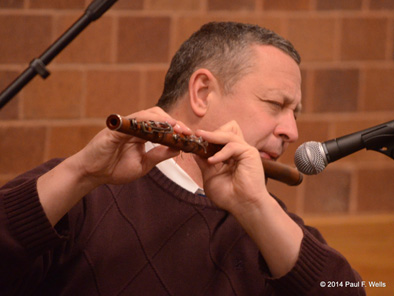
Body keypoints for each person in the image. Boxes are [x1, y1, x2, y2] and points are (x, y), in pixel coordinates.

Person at [0, 22, 365, 295]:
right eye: (275, 104)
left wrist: (257, 208)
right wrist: (80, 174)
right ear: (202, 92)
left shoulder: (275, 227)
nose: (292, 131)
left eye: (295, 113)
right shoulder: (81, 192)